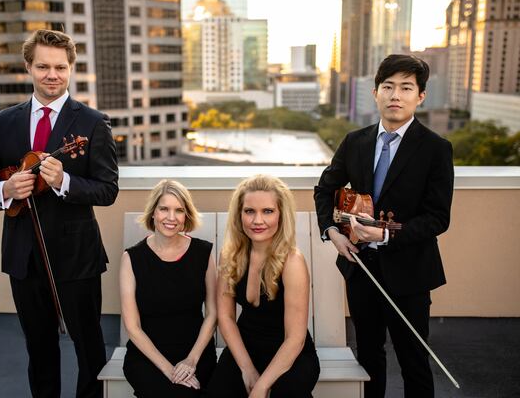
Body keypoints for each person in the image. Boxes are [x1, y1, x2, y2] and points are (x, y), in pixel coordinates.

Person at [0, 29, 119, 398]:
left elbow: (107, 189)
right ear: (28, 68)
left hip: (77, 256)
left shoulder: (92, 123)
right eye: (43, 66)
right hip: (24, 256)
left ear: (71, 69)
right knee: (39, 349)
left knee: (89, 348)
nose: (52, 75)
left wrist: (66, 181)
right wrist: (4, 190)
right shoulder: (5, 121)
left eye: (60, 67)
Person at [314, 54, 454, 398]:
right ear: (375, 92)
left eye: (406, 87)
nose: (396, 94)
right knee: (369, 356)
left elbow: (438, 218)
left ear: (420, 96)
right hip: (362, 268)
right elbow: (324, 190)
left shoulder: (436, 149)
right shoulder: (354, 141)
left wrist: (387, 233)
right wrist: (332, 233)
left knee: (414, 360)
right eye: (388, 86)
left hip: (410, 273)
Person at [206, 175, 320, 398]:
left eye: (267, 211)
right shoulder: (230, 256)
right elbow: (226, 317)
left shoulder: (292, 262)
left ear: (280, 214)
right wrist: (247, 369)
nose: (258, 220)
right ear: (239, 215)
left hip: (289, 353)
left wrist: (260, 387)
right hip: (245, 348)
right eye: (249, 211)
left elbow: (295, 338)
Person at [119, 179, 217, 397]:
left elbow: (213, 314)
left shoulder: (203, 253)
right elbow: (133, 327)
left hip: (196, 352)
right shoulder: (132, 258)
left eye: (179, 210)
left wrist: (191, 360)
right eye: (164, 209)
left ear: (186, 216)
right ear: (153, 212)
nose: (171, 217)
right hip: (148, 355)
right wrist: (169, 370)